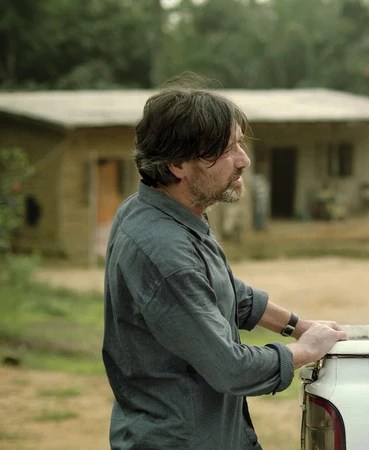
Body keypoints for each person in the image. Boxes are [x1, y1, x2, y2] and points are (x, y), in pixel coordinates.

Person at [102, 84, 348, 449]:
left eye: (239, 143)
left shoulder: (159, 211)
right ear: (177, 165)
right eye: (225, 150)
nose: (243, 159)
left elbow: (226, 290)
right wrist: (306, 351)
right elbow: (231, 369)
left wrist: (299, 326)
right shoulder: (164, 251)